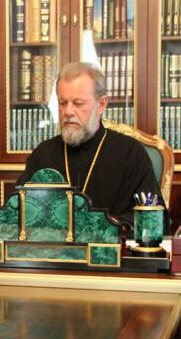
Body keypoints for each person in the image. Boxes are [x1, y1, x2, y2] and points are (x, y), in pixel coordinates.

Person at [17, 62, 164, 230]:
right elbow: (19, 209)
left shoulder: (130, 153)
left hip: (113, 245)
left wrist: (109, 225)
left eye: (78, 103)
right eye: (63, 103)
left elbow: (155, 217)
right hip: (55, 246)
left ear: (101, 104)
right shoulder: (43, 154)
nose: (68, 111)